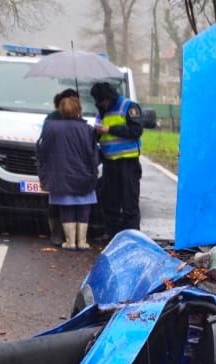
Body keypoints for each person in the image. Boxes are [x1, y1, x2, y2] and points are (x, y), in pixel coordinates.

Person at [37, 93, 98, 251]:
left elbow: (42, 150)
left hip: (60, 176)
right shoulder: (87, 129)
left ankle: (70, 242)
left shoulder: (51, 126)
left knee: (66, 207)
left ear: (61, 111)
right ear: (79, 110)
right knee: (84, 206)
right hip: (83, 175)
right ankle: (82, 241)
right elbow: (93, 153)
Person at [89, 81, 143, 238]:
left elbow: (136, 130)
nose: (101, 104)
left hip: (128, 163)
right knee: (109, 201)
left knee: (129, 203)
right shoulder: (101, 112)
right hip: (109, 162)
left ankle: (132, 236)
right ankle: (112, 235)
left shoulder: (129, 107)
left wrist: (110, 129)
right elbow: (100, 136)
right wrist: (97, 133)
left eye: (103, 100)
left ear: (109, 97)